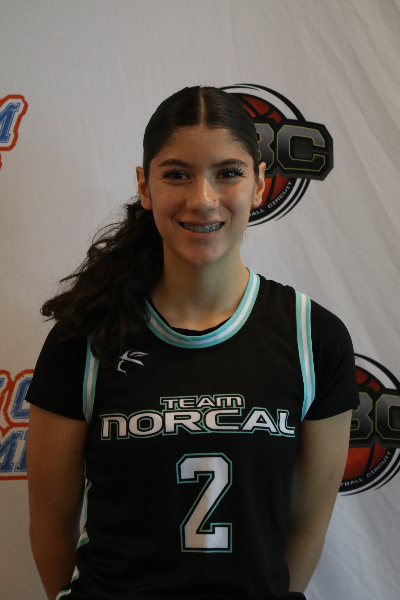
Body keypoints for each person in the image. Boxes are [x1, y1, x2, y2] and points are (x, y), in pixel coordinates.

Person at [27, 86, 359, 600]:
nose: (203, 199)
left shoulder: (314, 338)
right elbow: (51, 525)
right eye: (177, 174)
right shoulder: (85, 338)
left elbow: (306, 527)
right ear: (145, 187)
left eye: (228, 173)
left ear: (259, 185)